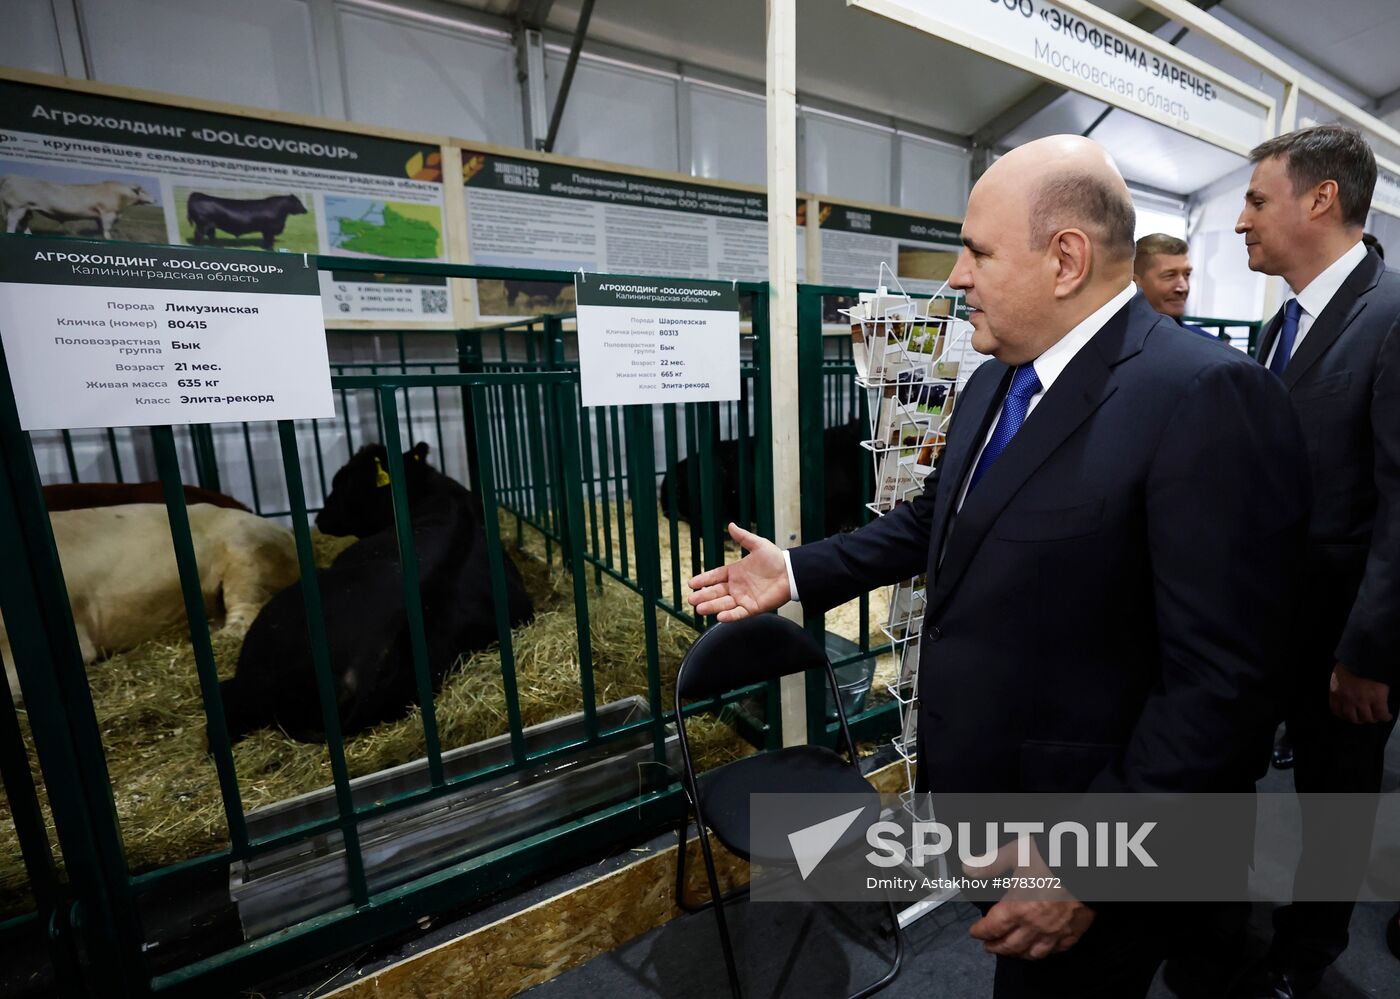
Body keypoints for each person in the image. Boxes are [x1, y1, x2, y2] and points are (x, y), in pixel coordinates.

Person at [688, 134, 1308, 998]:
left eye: (976, 251)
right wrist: (795, 571)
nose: (955, 277)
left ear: (1065, 259)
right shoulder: (994, 380)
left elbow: (1223, 681)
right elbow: (937, 519)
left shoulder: (1203, 395)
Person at [1231, 123, 1400, 998]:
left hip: (1344, 643)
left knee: (1334, 809)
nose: (1239, 221)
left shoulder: (1392, 315)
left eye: (1257, 199)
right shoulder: (1284, 324)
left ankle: (1307, 956)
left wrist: (1370, 653)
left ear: (1321, 198)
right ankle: (1225, 928)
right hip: (1269, 624)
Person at [1133, 233, 1214, 338]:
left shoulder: (1207, 345)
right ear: (1135, 282)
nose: (1183, 287)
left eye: (1187, 275)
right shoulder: (1112, 341)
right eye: (1170, 276)